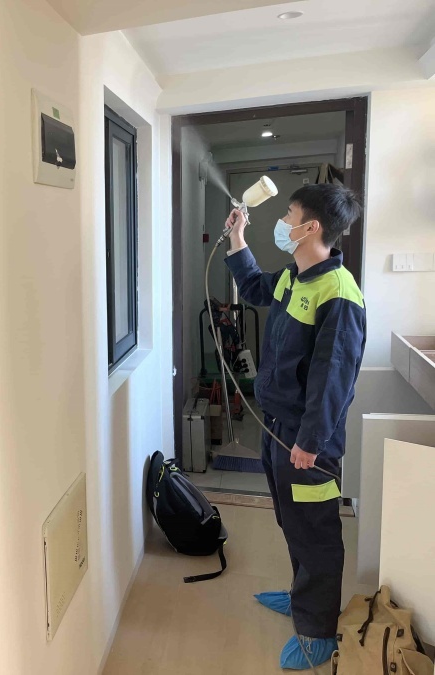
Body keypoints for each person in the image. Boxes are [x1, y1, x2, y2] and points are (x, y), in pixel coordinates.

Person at [223, 183, 366, 671]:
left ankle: (317, 628)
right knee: (291, 520)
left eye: (289, 215)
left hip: (308, 442)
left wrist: (310, 442)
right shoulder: (294, 277)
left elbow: (334, 380)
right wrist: (238, 240)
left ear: (311, 227)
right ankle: (302, 595)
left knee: (316, 532)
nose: (283, 223)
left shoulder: (339, 294)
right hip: (278, 428)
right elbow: (255, 288)